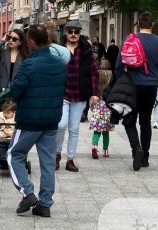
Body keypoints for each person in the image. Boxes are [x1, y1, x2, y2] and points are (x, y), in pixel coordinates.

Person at [7, 24, 66, 218]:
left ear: (31, 42)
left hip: (29, 121)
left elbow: (16, 92)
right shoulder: (59, 64)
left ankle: (27, 192)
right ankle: (45, 204)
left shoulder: (29, 64)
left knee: (14, 154)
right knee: (48, 162)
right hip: (51, 121)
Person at [115, 12, 158, 171]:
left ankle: (136, 149)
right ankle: (145, 156)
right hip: (151, 86)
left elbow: (119, 66)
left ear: (138, 24)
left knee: (129, 120)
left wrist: (122, 81)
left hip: (131, 85)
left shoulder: (129, 39)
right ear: (152, 24)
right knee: (145, 121)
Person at [56, 20, 99, 173]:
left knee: (74, 129)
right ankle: (57, 154)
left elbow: (94, 73)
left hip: (80, 96)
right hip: (62, 94)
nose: (73, 35)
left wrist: (94, 93)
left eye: (76, 32)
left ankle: (70, 159)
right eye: (70, 32)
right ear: (66, 33)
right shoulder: (59, 49)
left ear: (80, 34)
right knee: (60, 126)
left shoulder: (86, 50)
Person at [0, 29, 29, 100]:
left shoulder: (24, 56)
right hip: (1, 87)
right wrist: (3, 41)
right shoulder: (3, 52)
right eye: (9, 37)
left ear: (20, 42)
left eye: (14, 39)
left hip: (16, 89)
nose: (11, 40)